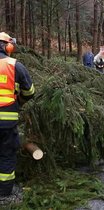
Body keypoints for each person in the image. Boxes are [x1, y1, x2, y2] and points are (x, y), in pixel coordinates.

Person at [0, 32, 35, 203]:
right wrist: (18, 102)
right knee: (6, 154)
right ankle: (5, 193)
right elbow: (30, 91)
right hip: (6, 122)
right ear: (8, 47)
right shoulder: (15, 65)